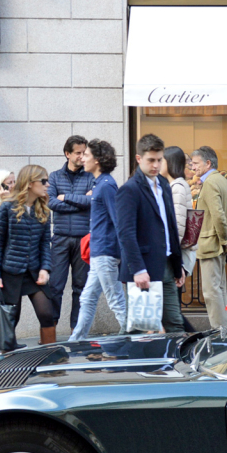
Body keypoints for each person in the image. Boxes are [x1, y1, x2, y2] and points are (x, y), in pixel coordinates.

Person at [116, 134, 185, 333]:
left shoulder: (163, 184)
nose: (156, 165)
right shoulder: (129, 190)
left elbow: (170, 225)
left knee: (175, 323)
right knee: (137, 325)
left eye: (159, 160)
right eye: (151, 160)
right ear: (139, 159)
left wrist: (177, 264)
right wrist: (137, 269)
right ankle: (126, 363)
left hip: (167, 264)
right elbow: (126, 233)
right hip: (143, 267)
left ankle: (177, 364)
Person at [0, 164, 56, 346]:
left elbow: (44, 243)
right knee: (10, 319)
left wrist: (45, 268)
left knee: (47, 314)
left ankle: (52, 360)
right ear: (30, 183)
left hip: (33, 272)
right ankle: (6, 363)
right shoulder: (6, 208)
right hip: (10, 272)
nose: (47, 184)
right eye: (43, 181)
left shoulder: (43, 209)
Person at [69, 140, 128, 340]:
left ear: (98, 160)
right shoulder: (101, 184)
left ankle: (135, 338)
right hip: (99, 251)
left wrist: (126, 255)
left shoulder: (106, 186)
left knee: (115, 300)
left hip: (105, 252)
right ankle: (75, 341)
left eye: (86, 155)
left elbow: (118, 221)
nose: (82, 158)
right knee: (87, 298)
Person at [47, 135, 96, 330]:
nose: (82, 157)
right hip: (60, 238)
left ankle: (77, 331)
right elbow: (51, 203)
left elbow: (92, 201)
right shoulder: (54, 176)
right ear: (67, 153)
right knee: (54, 287)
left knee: (80, 288)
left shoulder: (91, 176)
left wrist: (65, 197)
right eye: (78, 153)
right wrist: (79, 202)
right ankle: (50, 330)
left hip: (83, 239)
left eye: (85, 153)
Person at [190, 145, 227, 332]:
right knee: (218, 289)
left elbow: (218, 215)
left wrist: (225, 238)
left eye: (195, 163)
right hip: (220, 243)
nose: (193, 167)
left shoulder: (209, 183)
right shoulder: (223, 181)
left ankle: (219, 332)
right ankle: (222, 329)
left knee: (211, 292)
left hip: (212, 243)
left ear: (208, 163)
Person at [165, 146, 198, 319]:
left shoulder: (177, 186)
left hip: (176, 254)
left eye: (161, 160)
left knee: (173, 311)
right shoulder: (174, 185)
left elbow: (177, 226)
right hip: (177, 255)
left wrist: (174, 258)